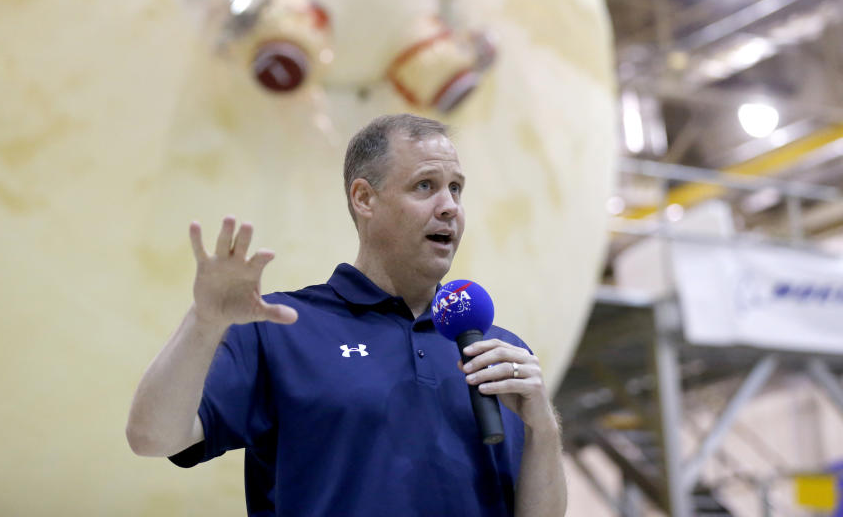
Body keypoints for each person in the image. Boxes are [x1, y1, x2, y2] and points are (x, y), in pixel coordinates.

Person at [126, 114, 566, 516]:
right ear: (364, 199)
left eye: (456, 188)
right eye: (425, 186)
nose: (449, 206)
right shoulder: (281, 327)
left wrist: (543, 426)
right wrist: (204, 322)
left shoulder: (499, 352)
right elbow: (152, 437)